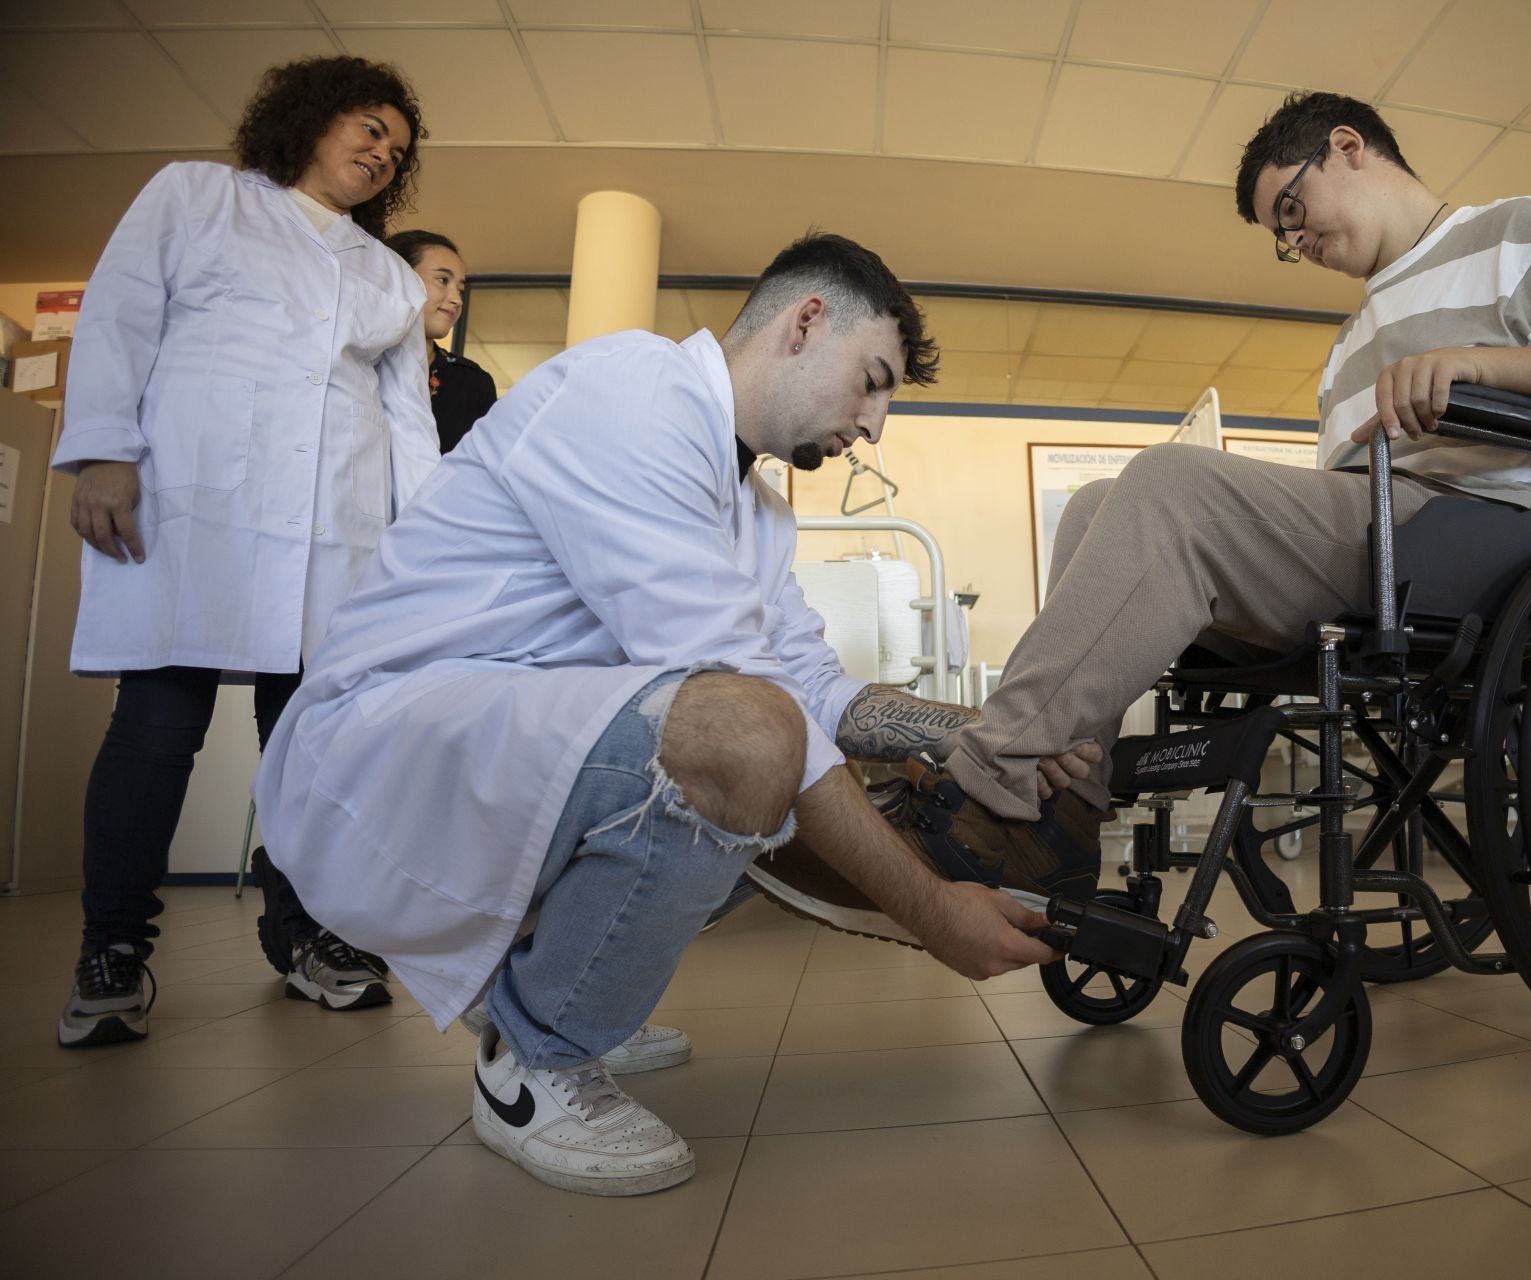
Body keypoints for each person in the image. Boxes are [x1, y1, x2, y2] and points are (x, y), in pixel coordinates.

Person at [750, 89, 1531, 934]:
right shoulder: (1348, 349)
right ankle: (1064, 817)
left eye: (1290, 210)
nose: (1293, 242)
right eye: (1278, 237)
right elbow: (1344, 505)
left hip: (1505, 538)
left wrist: (1480, 364)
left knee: (1169, 485)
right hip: (1393, 541)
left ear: (1347, 147)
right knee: (1096, 505)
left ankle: (987, 788)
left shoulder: (1519, 234)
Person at [253, 233, 1092, 1197]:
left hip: (503, 751)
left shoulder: (759, 511)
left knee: (772, 765)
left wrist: (967, 728)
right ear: (804, 323)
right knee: (747, 747)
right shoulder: (635, 395)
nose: (875, 424)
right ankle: (537, 1057)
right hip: (381, 756)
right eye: (871, 383)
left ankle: (550, 982)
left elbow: (817, 688)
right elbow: (768, 716)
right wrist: (935, 914)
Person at [51, 56, 440, 1047]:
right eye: (366, 123)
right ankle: (113, 951)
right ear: (307, 118)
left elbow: (409, 428)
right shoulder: (197, 196)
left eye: (393, 145)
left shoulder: (388, 276)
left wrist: (424, 554)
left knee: (309, 746)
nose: (379, 147)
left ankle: (309, 932)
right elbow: (121, 316)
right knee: (155, 723)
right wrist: (103, 448)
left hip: (337, 532)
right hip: (193, 507)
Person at [384, 228, 496, 453]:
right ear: (397, 278)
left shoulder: (471, 382)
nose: (456, 300)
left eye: (461, 290)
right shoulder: (356, 363)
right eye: (442, 280)